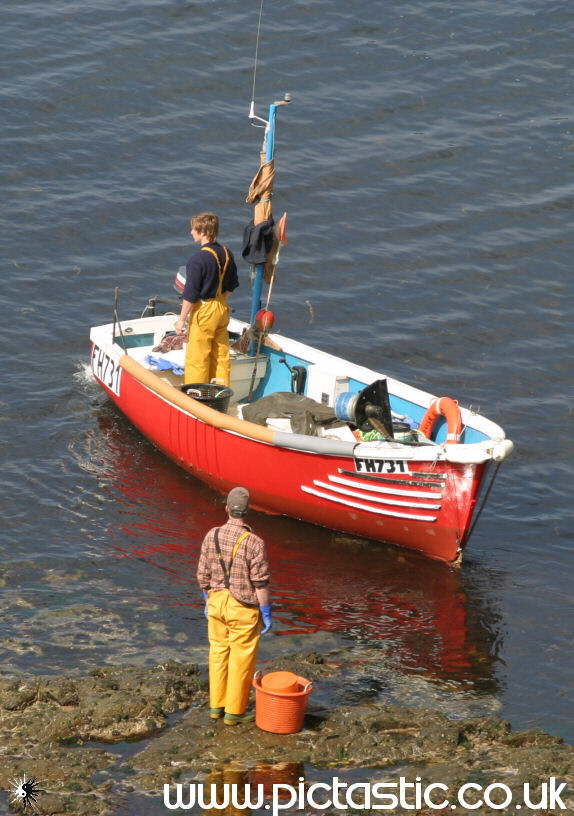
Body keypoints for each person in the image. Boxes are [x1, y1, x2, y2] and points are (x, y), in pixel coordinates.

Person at [197, 487, 272, 726]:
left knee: (217, 654)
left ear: (227, 508)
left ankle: (216, 707)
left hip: (217, 602)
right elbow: (260, 582)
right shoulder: (254, 542)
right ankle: (234, 713)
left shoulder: (212, 535)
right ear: (248, 511)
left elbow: (202, 574)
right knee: (241, 659)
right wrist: (266, 611)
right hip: (242, 608)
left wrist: (207, 598)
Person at [175, 212, 239, 386]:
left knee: (198, 357)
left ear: (203, 232)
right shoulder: (227, 253)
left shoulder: (198, 259)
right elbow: (232, 284)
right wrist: (219, 300)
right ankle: (220, 390)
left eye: (193, 229)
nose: (191, 232)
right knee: (220, 354)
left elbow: (190, 294)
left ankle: (197, 396)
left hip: (204, 311)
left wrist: (181, 320)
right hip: (221, 307)